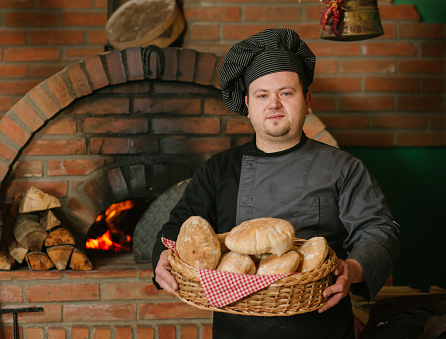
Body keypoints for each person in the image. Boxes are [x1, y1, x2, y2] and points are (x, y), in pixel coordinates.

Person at [151, 28, 400, 339]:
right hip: (238, 330)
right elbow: (178, 226)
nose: (274, 104)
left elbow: (378, 229)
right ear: (248, 105)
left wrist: (354, 269)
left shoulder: (343, 167)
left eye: (286, 93)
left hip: (320, 325)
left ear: (307, 101)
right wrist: (161, 257)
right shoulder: (219, 169)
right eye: (262, 95)